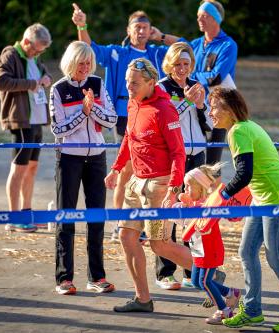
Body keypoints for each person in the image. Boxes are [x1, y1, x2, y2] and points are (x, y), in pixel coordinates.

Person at [72, 3, 182, 290]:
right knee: (125, 184)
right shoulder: (119, 55)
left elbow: (184, 48)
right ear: (129, 31)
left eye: (146, 28)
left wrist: (162, 36)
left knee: (160, 244)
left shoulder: (157, 57)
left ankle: (208, 276)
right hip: (127, 124)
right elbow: (90, 49)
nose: (142, 32)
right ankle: (121, 225)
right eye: (138, 28)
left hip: (157, 168)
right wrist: (82, 25)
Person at [207, 88, 279, 332]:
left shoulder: (240, 130)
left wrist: (221, 195)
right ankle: (252, 310)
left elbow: (244, 174)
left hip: (278, 197)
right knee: (246, 252)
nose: (211, 113)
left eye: (215, 108)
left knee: (276, 257)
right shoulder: (243, 127)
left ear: (230, 111)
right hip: (262, 198)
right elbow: (247, 175)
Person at [104, 58, 192, 312]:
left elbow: (178, 153)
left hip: (158, 186)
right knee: (126, 236)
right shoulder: (133, 103)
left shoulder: (164, 110)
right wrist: (116, 168)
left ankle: (210, 274)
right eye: (127, 82)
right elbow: (128, 140)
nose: (129, 87)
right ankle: (143, 299)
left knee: (159, 244)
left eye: (134, 83)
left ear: (151, 83)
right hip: (135, 183)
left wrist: (174, 189)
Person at [50, 41, 118, 295]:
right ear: (71, 62)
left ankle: (97, 277)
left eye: (89, 62)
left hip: (97, 158)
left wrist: (93, 109)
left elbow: (111, 120)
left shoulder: (98, 84)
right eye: (81, 62)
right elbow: (57, 129)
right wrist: (83, 112)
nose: (86, 67)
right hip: (69, 158)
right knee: (66, 218)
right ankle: (64, 278)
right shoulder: (58, 88)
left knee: (96, 218)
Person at [153, 0, 238, 165]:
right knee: (192, 159)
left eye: (204, 16)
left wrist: (186, 74)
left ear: (216, 19)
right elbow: (181, 46)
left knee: (212, 165)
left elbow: (216, 77)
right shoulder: (198, 44)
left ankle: (213, 190)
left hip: (216, 109)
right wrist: (160, 37)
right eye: (198, 16)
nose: (199, 19)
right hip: (193, 107)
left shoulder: (228, 45)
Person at [158, 42, 210, 288]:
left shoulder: (197, 85)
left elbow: (210, 122)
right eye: (177, 64)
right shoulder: (161, 87)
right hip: (173, 155)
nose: (181, 69)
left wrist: (201, 105)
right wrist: (187, 103)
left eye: (186, 64)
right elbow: (165, 120)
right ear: (169, 64)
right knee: (169, 210)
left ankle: (192, 271)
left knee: (194, 212)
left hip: (197, 153)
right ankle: (165, 272)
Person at [0, 23, 52, 233]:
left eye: (41, 51)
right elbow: (0, 82)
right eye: (36, 49)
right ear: (26, 42)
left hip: (37, 121)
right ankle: (13, 217)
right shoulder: (9, 55)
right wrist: (31, 83)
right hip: (20, 121)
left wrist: (46, 80)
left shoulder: (34, 57)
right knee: (18, 169)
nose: (38, 53)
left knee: (32, 168)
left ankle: (27, 212)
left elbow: (45, 76)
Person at [172, 163, 241, 325]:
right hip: (198, 250)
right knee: (196, 281)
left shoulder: (209, 206)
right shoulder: (195, 205)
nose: (185, 190)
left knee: (204, 281)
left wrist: (186, 207)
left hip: (210, 250)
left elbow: (197, 221)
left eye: (189, 187)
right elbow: (186, 224)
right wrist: (181, 206)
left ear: (201, 188)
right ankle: (231, 292)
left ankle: (224, 310)